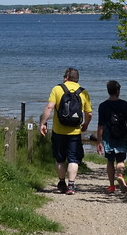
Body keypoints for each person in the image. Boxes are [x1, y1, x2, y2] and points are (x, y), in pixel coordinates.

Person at [39, 67, 93, 195]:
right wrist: (85, 125)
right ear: (77, 79)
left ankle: (62, 181)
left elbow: (49, 107)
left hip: (58, 131)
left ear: (66, 78)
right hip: (75, 132)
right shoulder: (83, 92)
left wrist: (43, 123)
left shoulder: (57, 89)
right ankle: (72, 186)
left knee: (60, 159)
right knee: (73, 159)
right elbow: (89, 113)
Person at [96, 80, 127, 193]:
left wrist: (99, 141)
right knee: (120, 160)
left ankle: (112, 186)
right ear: (118, 91)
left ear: (108, 91)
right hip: (121, 135)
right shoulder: (124, 104)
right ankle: (120, 175)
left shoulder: (103, 105)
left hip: (108, 137)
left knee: (110, 161)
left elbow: (100, 125)